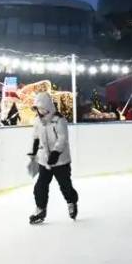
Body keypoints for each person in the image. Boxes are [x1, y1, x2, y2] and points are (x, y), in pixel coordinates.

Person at [27, 91, 78, 224]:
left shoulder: (59, 120)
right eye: (37, 109)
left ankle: (71, 202)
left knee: (65, 186)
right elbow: (36, 137)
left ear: (47, 108)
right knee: (40, 187)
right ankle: (40, 209)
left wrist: (55, 153)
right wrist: (33, 151)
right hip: (44, 161)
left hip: (61, 161)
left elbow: (62, 139)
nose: (39, 112)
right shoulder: (38, 121)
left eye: (41, 109)